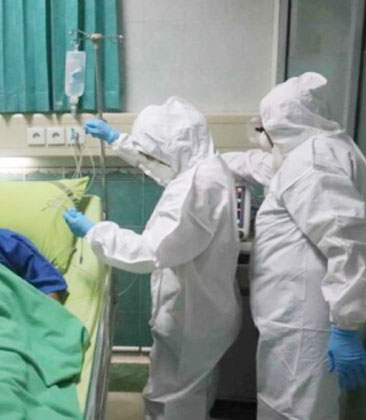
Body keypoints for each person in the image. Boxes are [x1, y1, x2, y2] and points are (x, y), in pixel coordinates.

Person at [64, 97, 241, 420]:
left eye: (154, 150)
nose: (152, 158)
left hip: (191, 316)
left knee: (171, 399)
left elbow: (150, 251)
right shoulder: (203, 167)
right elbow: (163, 166)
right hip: (206, 310)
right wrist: (117, 140)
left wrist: (94, 232)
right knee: (192, 392)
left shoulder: (196, 187)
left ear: (174, 146)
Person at [222, 72, 366, 419]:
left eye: (264, 128)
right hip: (298, 317)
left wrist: (346, 324)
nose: (262, 136)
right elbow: (260, 166)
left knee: (295, 410)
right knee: (289, 404)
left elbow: (348, 244)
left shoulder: (314, 162)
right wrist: (200, 162)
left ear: (283, 124)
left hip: (307, 321)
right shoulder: (315, 151)